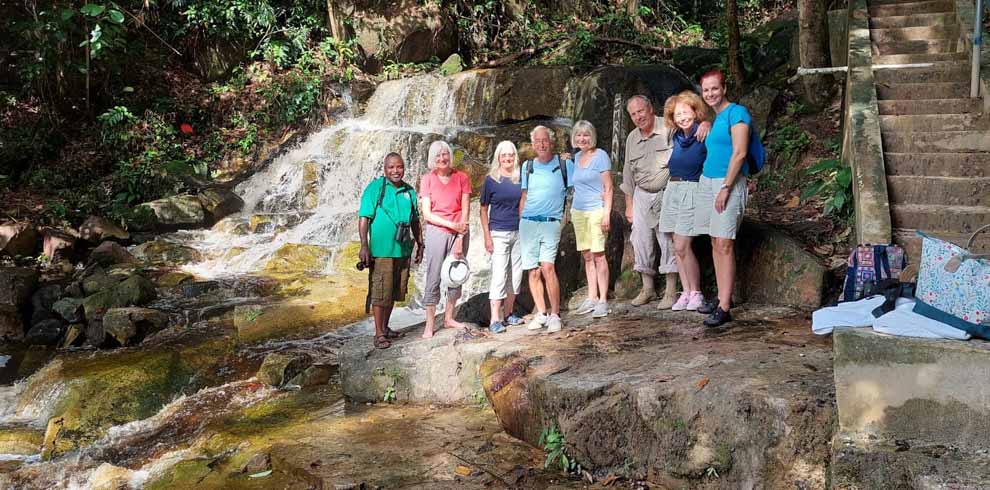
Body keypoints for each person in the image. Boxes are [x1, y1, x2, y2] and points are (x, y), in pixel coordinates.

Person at [621, 95, 710, 309]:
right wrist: (629, 204)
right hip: (641, 194)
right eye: (633, 114)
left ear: (651, 108)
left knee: (668, 241)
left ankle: (672, 291)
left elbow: (692, 128)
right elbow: (627, 173)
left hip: (667, 190)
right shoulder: (632, 138)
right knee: (640, 240)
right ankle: (647, 289)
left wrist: (706, 123)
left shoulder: (670, 127)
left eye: (640, 111)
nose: (638, 117)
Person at [696, 69, 752, 327]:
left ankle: (725, 306)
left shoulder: (737, 113)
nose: (710, 93)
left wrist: (726, 187)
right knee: (715, 242)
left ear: (724, 88)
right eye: (706, 90)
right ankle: (721, 297)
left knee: (724, 243)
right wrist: (706, 121)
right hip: (708, 182)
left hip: (727, 183)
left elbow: (739, 153)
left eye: (714, 88)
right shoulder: (716, 118)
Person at [358, 153, 423, 349]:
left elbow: (415, 221)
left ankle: (385, 328)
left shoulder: (409, 191)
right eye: (391, 167)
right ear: (385, 169)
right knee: (380, 292)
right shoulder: (375, 189)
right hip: (382, 251)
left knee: (394, 291)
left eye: (399, 167)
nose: (396, 171)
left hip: (403, 250)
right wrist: (364, 245)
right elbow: (364, 218)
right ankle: (378, 334)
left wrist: (421, 244)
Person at [520, 126, 575, 333]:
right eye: (537, 141)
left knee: (548, 267)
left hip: (551, 222)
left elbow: (577, 186)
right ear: (533, 144)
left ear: (551, 142)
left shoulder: (564, 164)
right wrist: (520, 220)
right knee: (533, 272)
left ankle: (555, 314)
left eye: (545, 140)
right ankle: (541, 313)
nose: (541, 144)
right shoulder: (527, 166)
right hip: (527, 223)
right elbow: (524, 196)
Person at [660, 91, 711, 311]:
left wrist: (707, 122)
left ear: (695, 111)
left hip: (692, 188)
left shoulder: (704, 131)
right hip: (673, 188)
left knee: (683, 245)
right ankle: (686, 292)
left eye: (685, 112)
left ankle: (696, 292)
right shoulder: (676, 136)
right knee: (675, 246)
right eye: (677, 114)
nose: (682, 117)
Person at [419, 140, 473, 338]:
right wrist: (452, 226)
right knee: (433, 276)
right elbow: (427, 214)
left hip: (460, 231)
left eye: (445, 155)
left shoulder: (462, 178)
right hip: (437, 232)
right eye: (438, 156)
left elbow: (465, 209)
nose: (442, 158)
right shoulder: (427, 179)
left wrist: (460, 235)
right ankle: (430, 324)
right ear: (433, 159)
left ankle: (449, 317)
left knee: (456, 274)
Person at [480, 141, 526, 334]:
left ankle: (509, 314)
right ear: (498, 157)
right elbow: (483, 209)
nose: (508, 158)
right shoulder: (491, 180)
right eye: (504, 155)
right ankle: (494, 319)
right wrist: (487, 237)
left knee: (515, 275)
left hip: (519, 232)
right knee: (499, 274)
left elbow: (524, 203)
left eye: (511, 155)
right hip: (498, 232)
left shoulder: (520, 178)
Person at [568, 120, 613, 318]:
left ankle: (603, 300)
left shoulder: (600, 156)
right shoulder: (577, 157)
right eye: (578, 135)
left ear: (591, 136)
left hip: (596, 210)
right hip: (578, 211)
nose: (582, 138)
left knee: (599, 255)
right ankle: (592, 297)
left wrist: (606, 213)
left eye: (585, 135)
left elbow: (609, 188)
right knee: (587, 255)